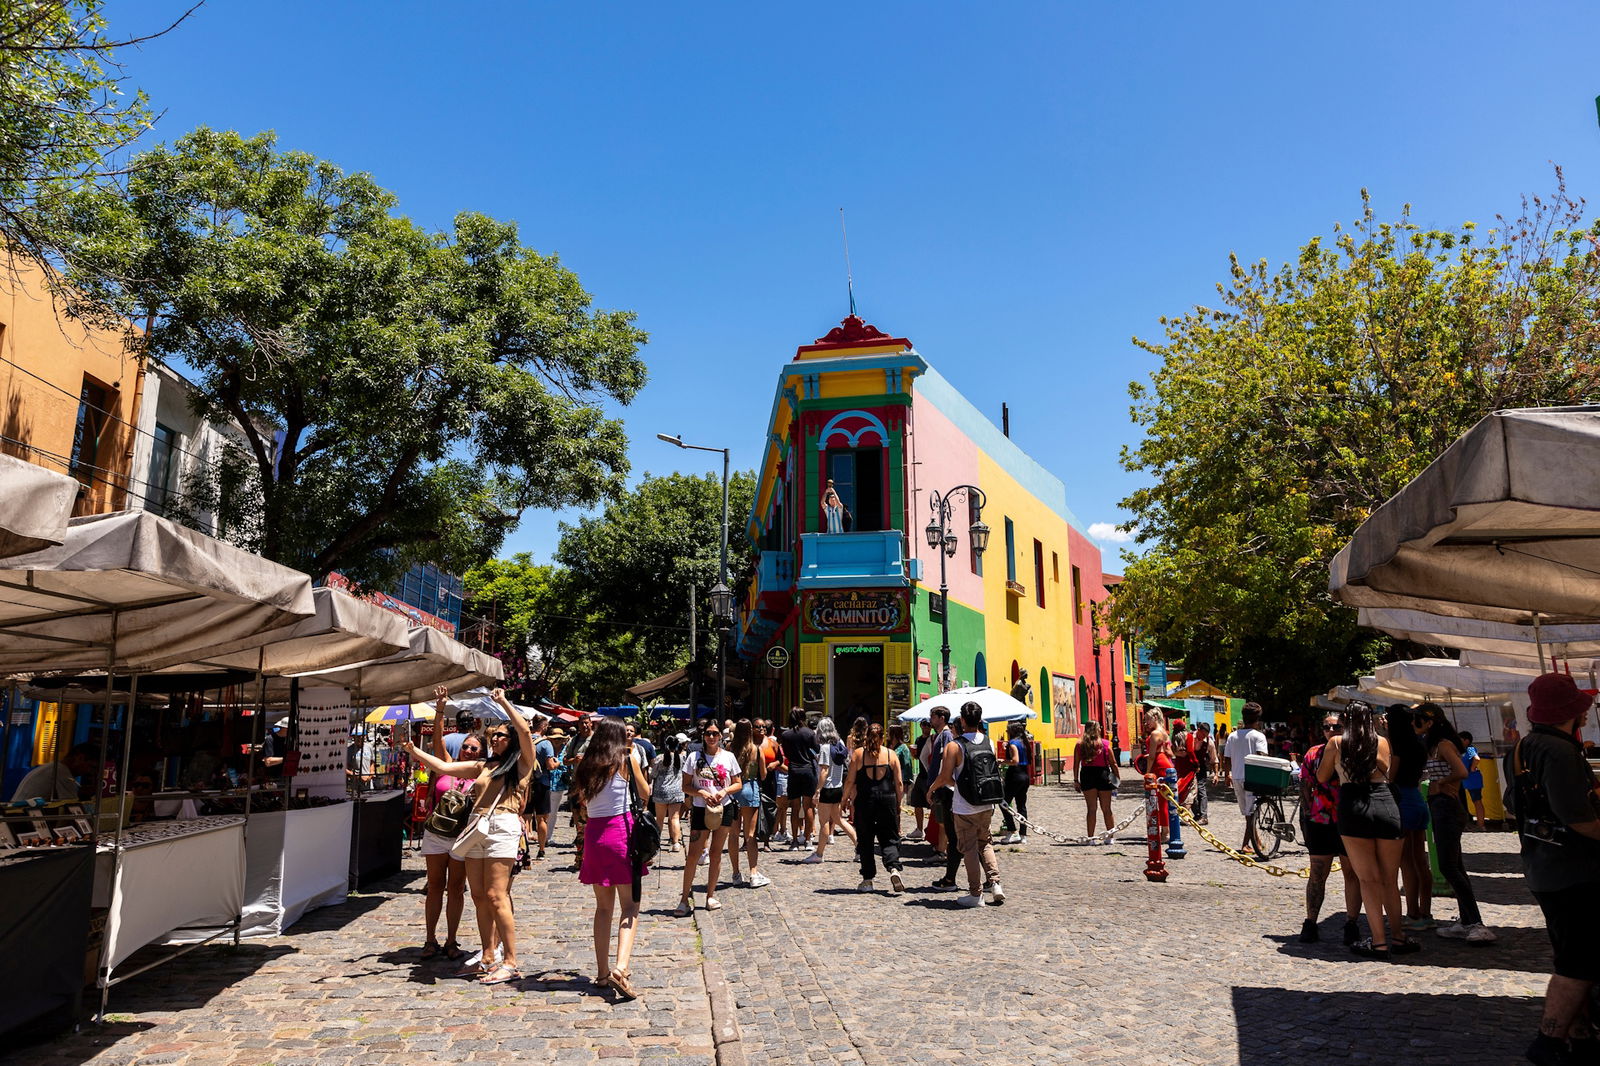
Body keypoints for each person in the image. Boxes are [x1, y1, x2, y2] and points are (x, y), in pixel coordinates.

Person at [402, 688, 535, 984]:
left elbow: (525, 731)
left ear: (512, 740)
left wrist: (503, 702)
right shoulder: (482, 766)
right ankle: (487, 955)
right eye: (494, 735)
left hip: (502, 826)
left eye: (501, 735)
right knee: (478, 896)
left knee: (496, 895)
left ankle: (510, 961)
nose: (495, 739)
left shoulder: (522, 764)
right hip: (475, 827)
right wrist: (413, 750)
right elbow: (444, 766)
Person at [1505, 673, 1600, 1065]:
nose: (1587, 711)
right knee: (1579, 962)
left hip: (1544, 866)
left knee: (1574, 955)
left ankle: (1581, 1036)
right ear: (1570, 712)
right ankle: (1549, 1041)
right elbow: (1578, 819)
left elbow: (1512, 803)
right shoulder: (1559, 751)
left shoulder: (1523, 747)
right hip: (1573, 870)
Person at [1316, 700, 1411, 960]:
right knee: (1390, 879)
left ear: (1345, 721)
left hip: (1353, 806)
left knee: (1368, 880)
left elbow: (1322, 777)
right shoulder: (1382, 742)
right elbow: (1388, 771)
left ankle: (1378, 943)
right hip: (1385, 804)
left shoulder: (1336, 743)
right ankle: (1399, 937)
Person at [571, 717, 650, 1001]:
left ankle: (602, 973)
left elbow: (582, 800)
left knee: (603, 908)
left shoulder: (585, 764)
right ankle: (621, 967)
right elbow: (646, 793)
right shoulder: (626, 761)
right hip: (620, 833)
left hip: (595, 835)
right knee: (630, 905)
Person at [1416, 707, 1495, 943]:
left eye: (1417, 719)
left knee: (1448, 866)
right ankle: (1467, 920)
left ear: (1430, 722)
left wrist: (1441, 782)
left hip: (1449, 804)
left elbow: (1462, 770)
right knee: (1455, 865)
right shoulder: (1439, 745)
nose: (1414, 723)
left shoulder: (1445, 745)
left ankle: (1476, 923)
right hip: (1442, 804)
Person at [417, 686, 479, 962]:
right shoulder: (448, 764)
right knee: (434, 886)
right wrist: (440, 709)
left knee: (455, 888)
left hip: (462, 837)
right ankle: (430, 939)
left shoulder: (483, 773)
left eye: (474, 748)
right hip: (437, 833)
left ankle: (451, 940)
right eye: (465, 746)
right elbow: (437, 741)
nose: (468, 750)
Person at [927, 701, 1003, 907]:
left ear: (961, 720)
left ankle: (975, 893)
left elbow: (945, 777)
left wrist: (932, 789)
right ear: (979, 719)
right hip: (987, 803)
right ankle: (995, 884)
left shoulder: (954, 745)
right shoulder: (989, 742)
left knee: (968, 848)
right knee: (985, 843)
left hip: (965, 806)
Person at [1298, 712, 1361, 945]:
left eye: (1336, 727)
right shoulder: (1314, 753)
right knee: (1317, 873)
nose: (1331, 731)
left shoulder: (1355, 751)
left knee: (1351, 873)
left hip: (1348, 819)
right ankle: (1310, 922)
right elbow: (1305, 784)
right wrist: (1307, 813)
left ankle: (1351, 923)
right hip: (1320, 820)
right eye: (1326, 727)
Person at [676, 722, 741, 915]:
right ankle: (684, 899)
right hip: (700, 809)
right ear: (703, 735)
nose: (711, 737)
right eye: (708, 733)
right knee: (693, 855)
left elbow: (738, 783)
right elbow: (685, 786)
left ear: (720, 736)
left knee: (716, 853)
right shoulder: (694, 757)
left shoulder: (728, 757)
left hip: (724, 808)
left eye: (715, 733)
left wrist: (724, 791)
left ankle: (710, 895)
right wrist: (702, 793)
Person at [841, 721, 906, 894]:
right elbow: (899, 783)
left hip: (865, 801)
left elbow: (850, 780)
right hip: (887, 800)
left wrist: (844, 800)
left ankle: (868, 879)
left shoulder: (859, 754)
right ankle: (893, 868)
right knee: (889, 836)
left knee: (865, 839)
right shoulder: (891, 754)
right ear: (883, 737)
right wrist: (898, 803)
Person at [1389, 704, 1433, 931]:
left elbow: (1391, 776)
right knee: (1421, 860)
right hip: (1417, 800)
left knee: (1406, 862)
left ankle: (1413, 913)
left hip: (1402, 802)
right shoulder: (1418, 743)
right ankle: (1426, 911)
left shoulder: (1398, 745)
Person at [803, 717, 858, 862]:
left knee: (824, 823)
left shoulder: (825, 748)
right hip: (838, 787)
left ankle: (819, 854)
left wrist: (817, 791)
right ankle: (860, 847)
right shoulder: (839, 744)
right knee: (839, 820)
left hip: (827, 788)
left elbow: (824, 771)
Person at [726, 719, 771, 888]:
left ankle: (736, 873)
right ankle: (753, 873)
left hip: (733, 790)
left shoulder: (730, 749)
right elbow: (763, 775)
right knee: (750, 835)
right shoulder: (756, 750)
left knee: (733, 834)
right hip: (750, 789)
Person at [925, 707, 963, 887]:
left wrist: (935, 786)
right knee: (942, 821)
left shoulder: (946, 736)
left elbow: (945, 765)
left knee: (946, 824)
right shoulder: (940, 735)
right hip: (941, 786)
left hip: (945, 787)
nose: (930, 720)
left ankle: (944, 852)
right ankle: (942, 850)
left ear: (941, 718)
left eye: (933, 717)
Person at [779, 709, 820, 850]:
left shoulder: (786, 735)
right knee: (808, 807)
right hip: (808, 770)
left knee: (795, 808)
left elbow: (786, 753)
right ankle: (808, 840)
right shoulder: (809, 733)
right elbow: (817, 749)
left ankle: (795, 841)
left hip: (794, 770)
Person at [1225, 703, 1269, 833]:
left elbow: (1227, 758)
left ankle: (1255, 840)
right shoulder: (1259, 736)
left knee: (1247, 813)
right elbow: (1262, 757)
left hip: (1237, 777)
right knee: (1251, 814)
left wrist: (1227, 775)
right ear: (1258, 719)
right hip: (1252, 779)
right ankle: (1246, 842)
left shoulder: (1232, 736)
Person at [1076, 719, 1118, 840]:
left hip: (1087, 775)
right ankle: (1110, 837)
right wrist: (1117, 778)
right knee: (1107, 809)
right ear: (1096, 729)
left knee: (1091, 809)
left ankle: (1091, 837)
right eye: (1099, 727)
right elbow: (1113, 763)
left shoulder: (1080, 745)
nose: (1100, 729)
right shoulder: (1105, 744)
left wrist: (1075, 780)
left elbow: (1076, 764)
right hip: (1103, 774)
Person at [10, 741, 97, 801]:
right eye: (91, 766)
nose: (89, 771)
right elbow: (71, 805)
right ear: (80, 758)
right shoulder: (62, 773)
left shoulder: (55, 768)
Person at [565, 714, 595, 870]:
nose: (584, 726)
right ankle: (580, 857)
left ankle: (591, 856)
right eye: (582, 723)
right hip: (577, 784)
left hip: (592, 785)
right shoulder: (574, 741)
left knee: (592, 821)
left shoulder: (597, 740)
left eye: (587, 723)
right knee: (579, 823)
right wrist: (574, 760)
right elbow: (565, 760)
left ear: (591, 724)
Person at [651, 733, 686, 853]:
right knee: (675, 818)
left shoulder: (660, 758)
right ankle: (676, 843)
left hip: (661, 791)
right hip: (676, 791)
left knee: (659, 819)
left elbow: (653, 774)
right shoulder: (681, 758)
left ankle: (656, 843)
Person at [527, 715, 556, 861]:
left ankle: (523, 849)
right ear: (543, 726)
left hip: (526, 783)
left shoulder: (524, 740)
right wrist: (557, 764)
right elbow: (550, 766)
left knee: (525, 818)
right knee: (542, 819)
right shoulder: (546, 743)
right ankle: (541, 849)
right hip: (542, 783)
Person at [998, 720, 1031, 845]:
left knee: (1004, 803)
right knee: (1021, 805)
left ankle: (1012, 831)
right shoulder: (1024, 743)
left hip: (1015, 775)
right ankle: (1023, 835)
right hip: (1025, 775)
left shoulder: (1013, 744)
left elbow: (1015, 760)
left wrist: (1002, 761)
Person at [904, 722, 930, 842]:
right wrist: (914, 754)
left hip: (930, 776)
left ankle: (931, 830)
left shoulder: (933, 739)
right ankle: (920, 829)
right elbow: (918, 756)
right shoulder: (918, 740)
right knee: (916, 801)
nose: (926, 727)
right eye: (924, 725)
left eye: (928, 725)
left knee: (933, 805)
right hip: (921, 774)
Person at [1459, 731, 1488, 831]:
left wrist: (1472, 768)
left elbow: (1477, 759)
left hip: (1473, 779)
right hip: (1465, 780)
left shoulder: (1470, 749)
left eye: (1461, 740)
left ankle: (1481, 825)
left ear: (1466, 740)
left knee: (1477, 801)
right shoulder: (1461, 751)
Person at [1190, 722, 1215, 823]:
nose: (1204, 737)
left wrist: (1216, 774)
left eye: (1206, 735)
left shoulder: (1209, 741)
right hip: (1189, 768)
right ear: (1198, 730)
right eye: (1203, 734)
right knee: (1190, 792)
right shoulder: (1190, 737)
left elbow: (1214, 759)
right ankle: (1197, 814)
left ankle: (1204, 816)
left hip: (1201, 768)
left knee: (1201, 790)